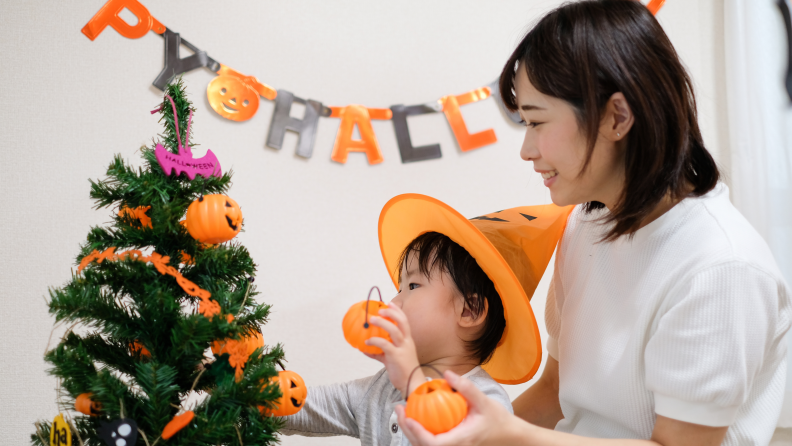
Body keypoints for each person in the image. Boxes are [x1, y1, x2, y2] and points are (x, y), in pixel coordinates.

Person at [394, 1, 792, 446]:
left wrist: (507, 436)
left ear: (616, 117)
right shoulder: (587, 225)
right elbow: (556, 394)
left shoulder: (721, 268)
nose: (526, 150)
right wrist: (472, 437)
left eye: (537, 121)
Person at [281, 194, 571, 445]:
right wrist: (249, 386)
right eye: (398, 287)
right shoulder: (380, 388)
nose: (394, 301)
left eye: (413, 286)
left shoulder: (485, 401)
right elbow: (299, 403)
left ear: (468, 310)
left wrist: (411, 380)